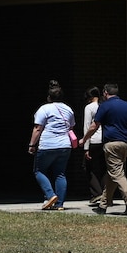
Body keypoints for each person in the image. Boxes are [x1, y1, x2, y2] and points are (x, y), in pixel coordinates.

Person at [79, 82, 127, 216]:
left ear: (105, 93)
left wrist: (84, 139)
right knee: (112, 174)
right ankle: (103, 206)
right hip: (125, 144)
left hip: (111, 144)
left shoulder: (104, 106)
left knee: (117, 174)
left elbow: (94, 126)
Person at [27, 80, 75, 211]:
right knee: (60, 173)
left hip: (48, 144)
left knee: (39, 171)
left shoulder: (44, 109)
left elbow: (38, 128)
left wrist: (32, 144)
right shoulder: (68, 109)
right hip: (65, 145)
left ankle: (50, 195)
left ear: (49, 97)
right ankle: (59, 204)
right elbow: (70, 127)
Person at [81, 86, 108, 207]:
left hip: (94, 141)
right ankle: (105, 192)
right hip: (105, 140)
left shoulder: (89, 107)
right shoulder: (105, 105)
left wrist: (85, 147)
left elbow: (87, 126)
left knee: (88, 167)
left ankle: (96, 192)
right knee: (103, 168)